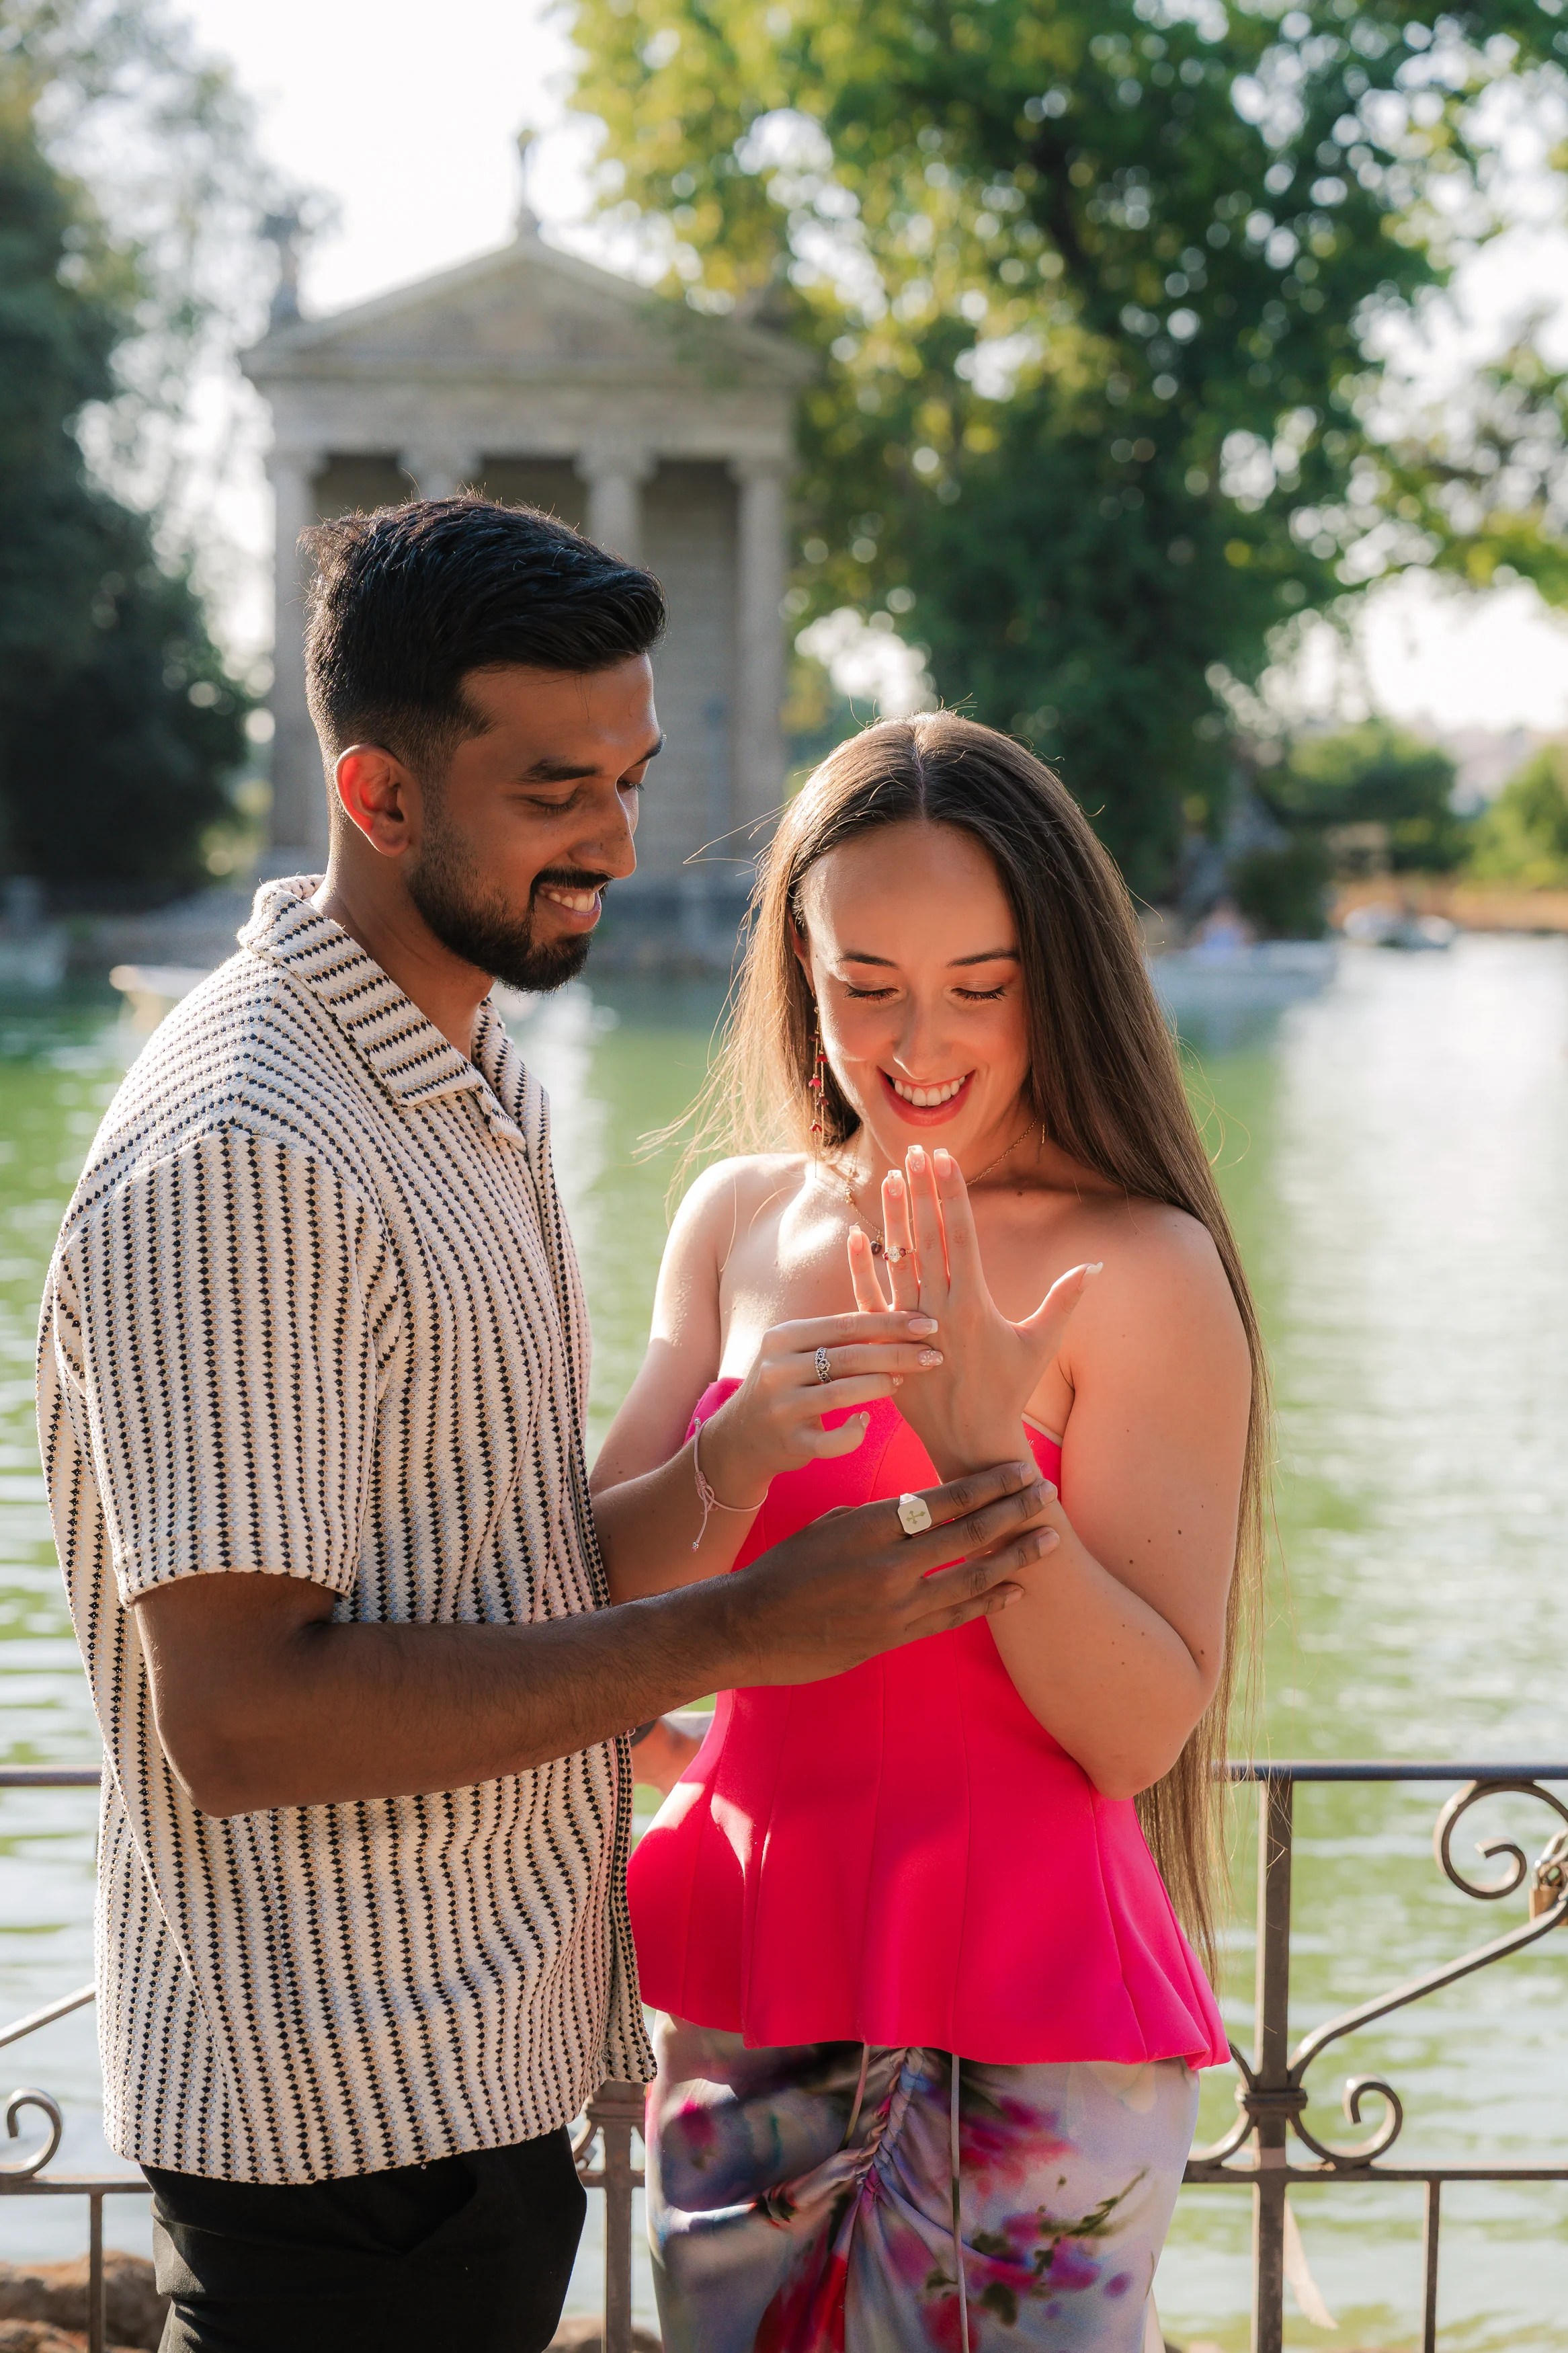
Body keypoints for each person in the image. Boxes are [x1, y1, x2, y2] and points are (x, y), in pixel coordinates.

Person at [34, 504, 1056, 2353]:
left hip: (468, 2098)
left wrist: (726, 1474)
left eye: (629, 776)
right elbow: (248, 1715)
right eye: (553, 790)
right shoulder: (250, 1152)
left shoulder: (455, 1081)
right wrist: (744, 1627)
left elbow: (490, 1575)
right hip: (332, 2143)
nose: (615, 840)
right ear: (381, 792)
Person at [592, 713, 1264, 2352]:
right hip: (744, 1979)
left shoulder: (1141, 1265)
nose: (919, 1041)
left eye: (981, 981)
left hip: (1038, 2024)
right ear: (795, 970)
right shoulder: (737, 1219)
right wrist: (733, 1460)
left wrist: (985, 1456)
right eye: (863, 980)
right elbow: (587, 1601)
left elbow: (1130, 1731)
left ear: (1062, 974)